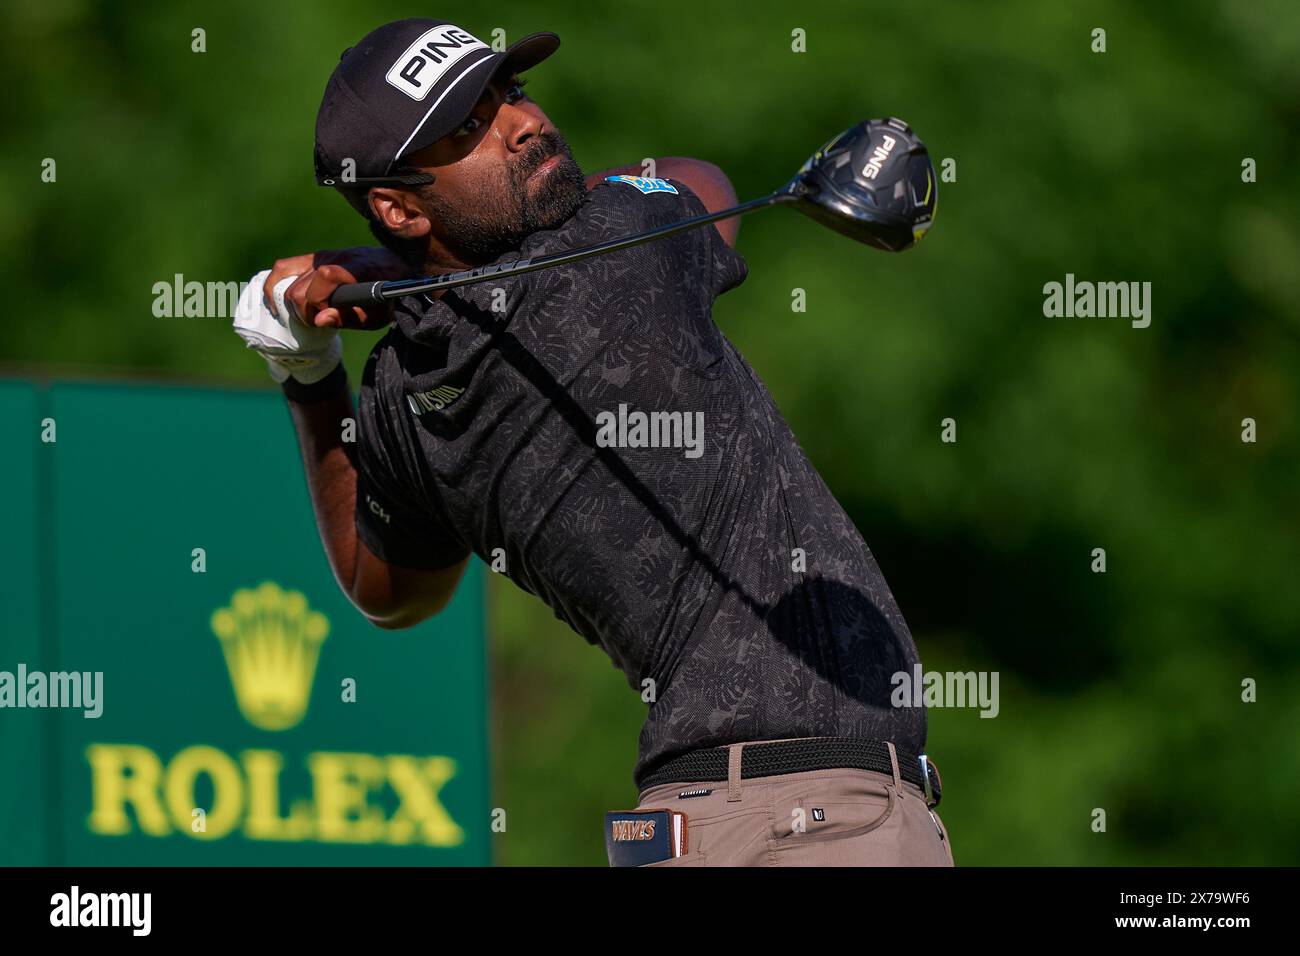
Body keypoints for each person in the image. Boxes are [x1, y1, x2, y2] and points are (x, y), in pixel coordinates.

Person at [232, 17, 953, 866]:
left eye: (512, 95)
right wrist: (397, 274)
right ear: (394, 205)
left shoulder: (395, 392)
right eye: (470, 127)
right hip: (809, 817)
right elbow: (696, 180)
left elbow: (384, 588)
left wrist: (311, 375)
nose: (523, 124)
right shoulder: (610, 253)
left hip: (686, 822)